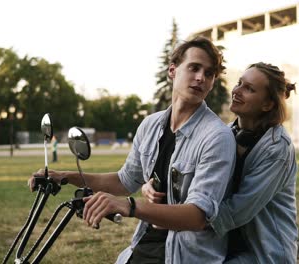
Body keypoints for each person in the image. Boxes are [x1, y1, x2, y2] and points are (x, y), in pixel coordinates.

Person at [29, 36, 236, 264]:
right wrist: (65, 177)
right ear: (172, 71)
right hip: (144, 243)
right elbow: (124, 180)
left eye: (209, 74)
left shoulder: (217, 136)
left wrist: (130, 206)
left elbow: (197, 215)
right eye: (194, 68)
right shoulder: (150, 125)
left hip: (185, 255)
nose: (201, 78)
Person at [143, 62, 299, 263]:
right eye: (239, 83)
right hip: (224, 247)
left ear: (267, 104)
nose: (237, 91)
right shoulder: (225, 134)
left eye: (249, 89)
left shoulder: (277, 149)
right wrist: (151, 186)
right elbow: (189, 176)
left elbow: (238, 210)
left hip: (263, 253)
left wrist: (182, 219)